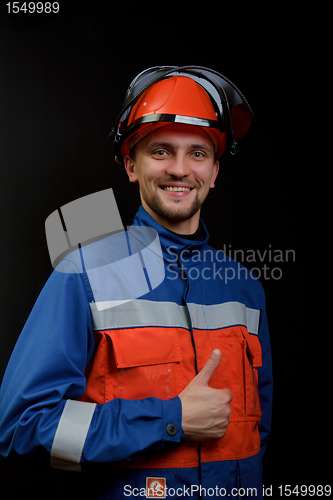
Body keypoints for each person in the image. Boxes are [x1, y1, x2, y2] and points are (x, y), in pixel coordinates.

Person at [0, 66, 272, 499]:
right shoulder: (82, 275)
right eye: (161, 152)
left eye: (198, 154)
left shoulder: (244, 289)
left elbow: (255, 436)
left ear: (215, 171)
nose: (180, 170)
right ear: (131, 164)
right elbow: (22, 428)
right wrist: (171, 419)